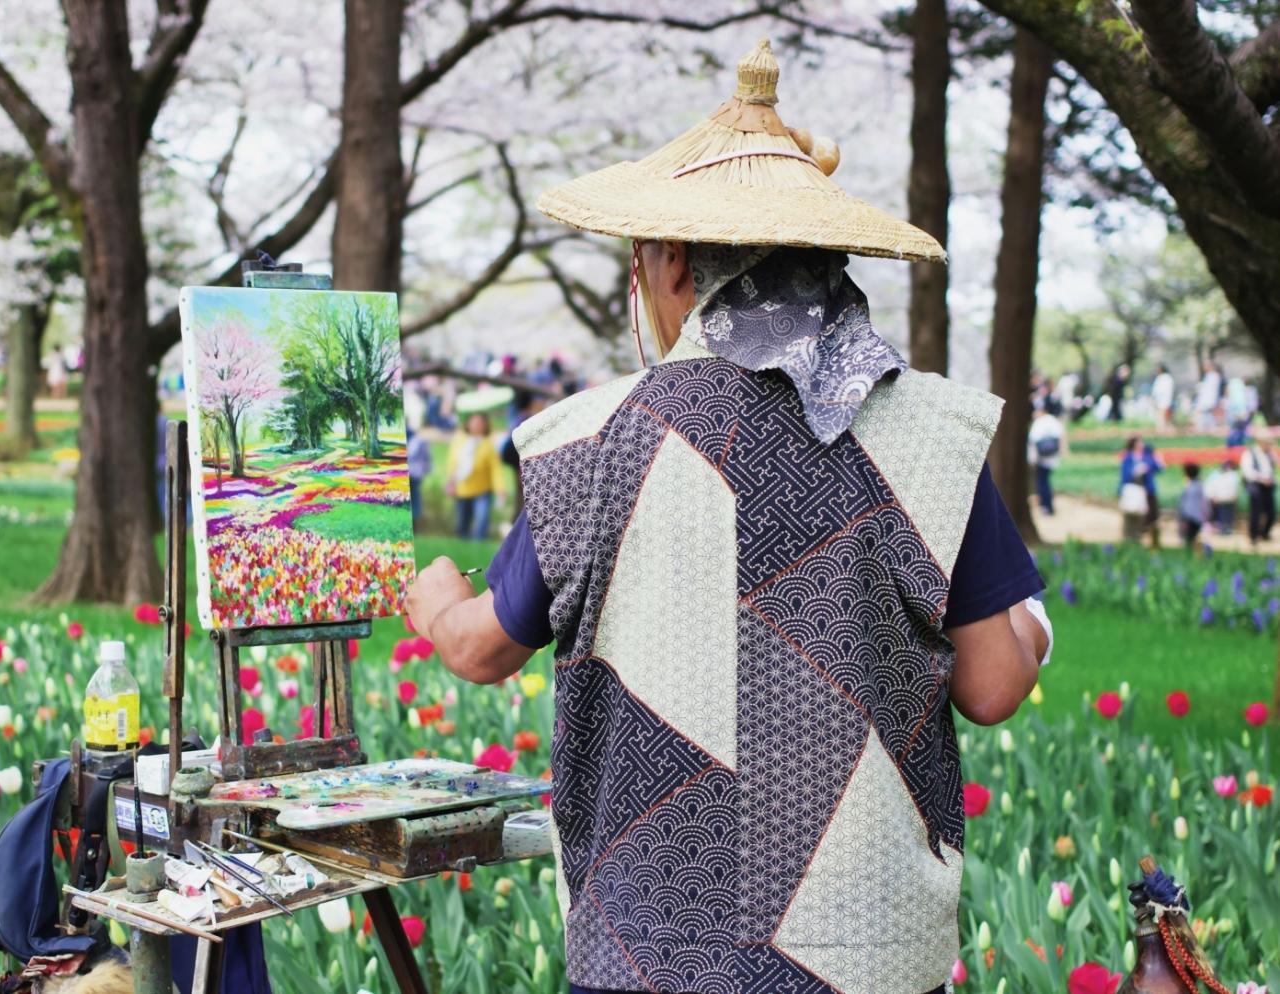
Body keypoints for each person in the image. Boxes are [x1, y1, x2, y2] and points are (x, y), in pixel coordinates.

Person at [405, 41, 1051, 994]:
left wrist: (433, 597)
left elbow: (479, 648)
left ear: (671, 262)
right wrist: (1033, 627)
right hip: (864, 954)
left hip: (646, 949)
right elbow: (995, 685)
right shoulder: (927, 432)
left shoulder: (591, 441)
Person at [444, 411, 502, 540]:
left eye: (480, 423)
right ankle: (462, 546)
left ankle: (479, 545)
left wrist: (500, 489)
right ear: (468, 424)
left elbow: (496, 469)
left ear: (485, 426)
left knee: (482, 521)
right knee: (462, 524)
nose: (476, 425)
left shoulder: (489, 445)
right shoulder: (459, 440)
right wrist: (450, 482)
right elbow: (452, 463)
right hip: (462, 489)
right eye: (474, 422)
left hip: (482, 491)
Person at [1118, 436, 1163, 548]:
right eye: (1139, 442)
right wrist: (1135, 471)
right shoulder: (1128, 458)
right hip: (1134, 492)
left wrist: (1149, 465)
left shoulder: (1146, 456)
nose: (1142, 444)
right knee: (1132, 516)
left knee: (1151, 517)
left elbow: (1158, 467)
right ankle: (1131, 540)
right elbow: (1124, 476)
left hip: (1147, 491)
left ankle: (1151, 541)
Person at [1027, 403, 1063, 515]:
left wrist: (1032, 459)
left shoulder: (1039, 422)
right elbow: (1060, 438)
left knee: (1042, 482)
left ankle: (1046, 506)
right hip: (1052, 457)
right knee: (1046, 481)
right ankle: (1048, 505)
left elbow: (1033, 441)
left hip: (1041, 458)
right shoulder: (1054, 421)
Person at [1240, 436, 1276, 543]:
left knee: (1271, 513)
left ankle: (1265, 533)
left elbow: (1270, 469)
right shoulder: (1250, 453)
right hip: (1256, 486)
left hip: (1268, 486)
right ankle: (1254, 536)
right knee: (1255, 513)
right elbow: (1247, 472)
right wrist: (1262, 478)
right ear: (1261, 442)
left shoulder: (1269, 454)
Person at [1205, 459, 1241, 535]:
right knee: (1224, 515)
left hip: (1225, 499)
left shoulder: (1231, 475)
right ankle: (1223, 528)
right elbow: (1212, 487)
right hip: (1222, 499)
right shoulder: (1218, 475)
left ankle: (1225, 528)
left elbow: (1235, 488)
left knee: (1226, 515)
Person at [1177, 463, 1207, 551]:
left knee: (1189, 540)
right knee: (1191, 539)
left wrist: (1183, 516)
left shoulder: (1191, 487)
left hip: (1189, 517)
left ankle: (1190, 553)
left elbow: (1186, 504)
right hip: (1197, 517)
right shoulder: (1199, 485)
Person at [406, 427, 431, 524]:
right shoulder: (418, 439)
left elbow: (426, 458)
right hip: (415, 473)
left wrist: (426, 470)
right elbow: (427, 458)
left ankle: (415, 518)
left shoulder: (418, 440)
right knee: (414, 496)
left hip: (415, 473)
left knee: (414, 496)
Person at [1195, 360, 1222, 430]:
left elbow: (1211, 390)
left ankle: (1209, 428)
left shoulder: (1213, 376)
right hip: (1207, 399)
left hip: (1208, 399)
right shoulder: (1210, 376)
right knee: (1208, 415)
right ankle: (1210, 428)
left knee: (1205, 415)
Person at [1151, 364, 1175, 433]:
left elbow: (1168, 390)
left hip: (1165, 400)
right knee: (1160, 415)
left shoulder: (1167, 378)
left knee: (1165, 415)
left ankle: (1165, 429)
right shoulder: (1159, 378)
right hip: (1159, 400)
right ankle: (1161, 429)